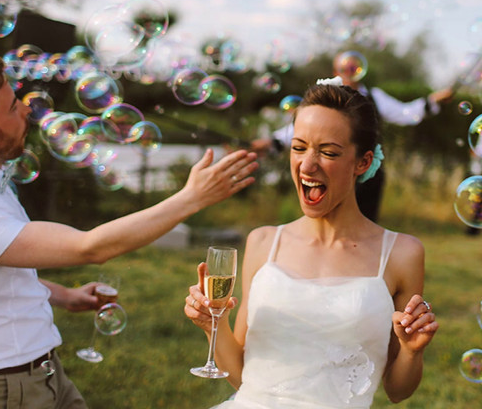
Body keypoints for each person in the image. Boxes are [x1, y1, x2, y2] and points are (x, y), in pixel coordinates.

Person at [0, 56, 258, 409]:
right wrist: (191, 198)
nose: (26, 112)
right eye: (12, 107)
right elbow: (89, 247)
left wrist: (63, 294)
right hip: (5, 390)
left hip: (41, 372)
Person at [186, 82, 439, 408]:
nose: (307, 165)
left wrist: (411, 351)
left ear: (362, 163)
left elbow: (397, 390)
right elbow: (240, 375)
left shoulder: (403, 254)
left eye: (329, 152)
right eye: (298, 147)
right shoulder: (263, 242)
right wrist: (211, 327)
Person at [252, 70, 451, 222]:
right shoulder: (322, 101)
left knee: (365, 220)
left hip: (370, 178)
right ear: (334, 72)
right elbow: (304, 132)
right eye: (342, 68)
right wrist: (272, 142)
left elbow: (404, 113)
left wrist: (431, 101)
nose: (306, 166)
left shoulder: (375, 97)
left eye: (329, 152)